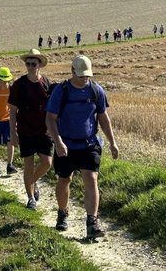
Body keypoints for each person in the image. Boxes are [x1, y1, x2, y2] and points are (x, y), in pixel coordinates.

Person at [45, 55, 119, 238]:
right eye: (81, 75)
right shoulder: (61, 91)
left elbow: (103, 117)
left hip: (89, 143)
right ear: (72, 71)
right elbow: (51, 119)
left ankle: (92, 223)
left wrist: (112, 142)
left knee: (91, 178)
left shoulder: (96, 90)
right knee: (64, 180)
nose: (85, 78)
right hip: (66, 144)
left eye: (87, 75)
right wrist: (58, 142)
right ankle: (62, 213)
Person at [8, 49, 54, 210]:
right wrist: (13, 132)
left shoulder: (47, 83)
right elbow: (12, 110)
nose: (30, 67)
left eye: (33, 64)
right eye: (28, 64)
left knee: (47, 163)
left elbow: (53, 107)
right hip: (25, 130)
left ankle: (32, 182)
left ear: (40, 65)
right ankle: (30, 198)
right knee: (28, 164)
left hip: (44, 130)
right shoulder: (18, 85)